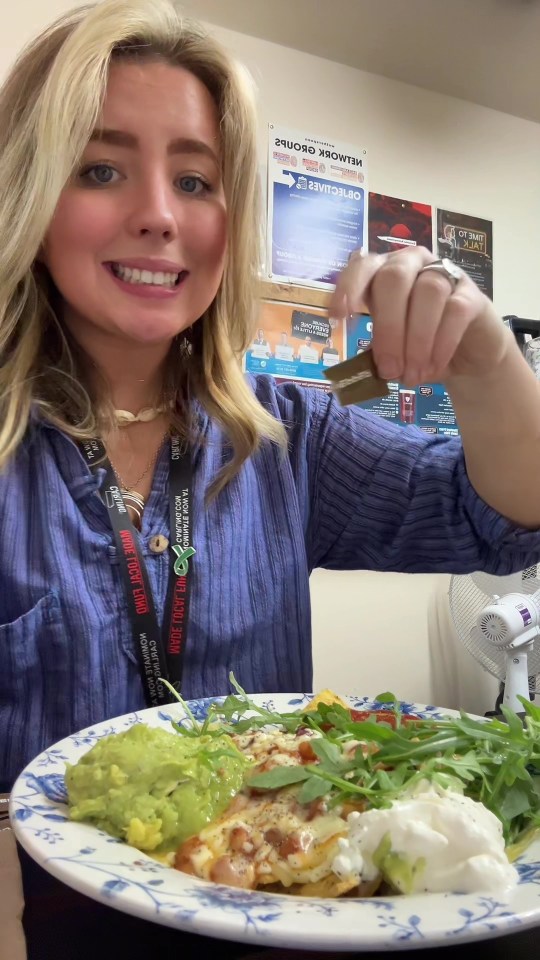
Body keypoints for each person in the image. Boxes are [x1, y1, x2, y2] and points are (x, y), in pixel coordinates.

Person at [2, 0, 540, 794]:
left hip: (262, 889)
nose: (157, 215)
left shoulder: (290, 434)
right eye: (100, 169)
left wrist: (489, 360)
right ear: (32, 195)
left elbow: (500, 520)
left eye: (195, 180)